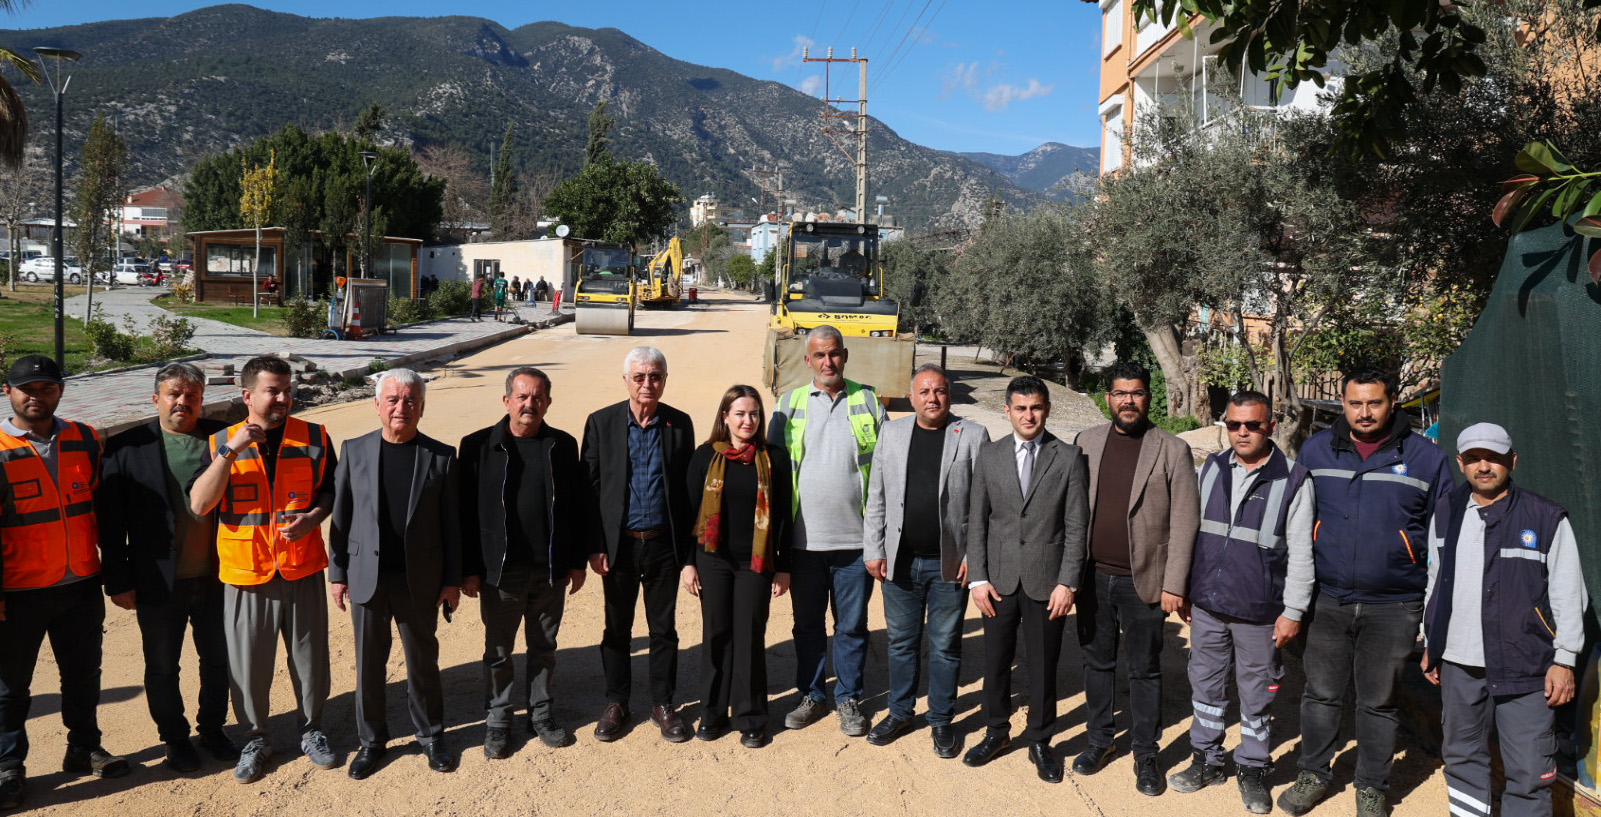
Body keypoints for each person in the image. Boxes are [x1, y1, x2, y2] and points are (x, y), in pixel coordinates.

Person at [1278, 367, 1453, 817]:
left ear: (1392, 402)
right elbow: (1295, 524)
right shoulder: (1317, 450)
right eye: (1355, 403)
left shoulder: (1427, 458)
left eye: (1374, 402)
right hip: (1327, 600)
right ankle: (1313, 773)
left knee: (1379, 701)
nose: (1365, 412)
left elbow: (1443, 540)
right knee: (1321, 694)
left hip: (1394, 604)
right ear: (1343, 402)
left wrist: (1434, 614)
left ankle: (1371, 785)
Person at [188, 354, 339, 784]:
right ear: (247, 395)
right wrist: (230, 452)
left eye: (287, 390)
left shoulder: (314, 436)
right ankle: (255, 738)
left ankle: (312, 730)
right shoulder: (221, 441)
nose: (283, 398)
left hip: (301, 566)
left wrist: (313, 517)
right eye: (273, 390)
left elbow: (331, 491)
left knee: (310, 659)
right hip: (246, 572)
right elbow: (200, 504)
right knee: (248, 665)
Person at [1422, 423, 1586, 817]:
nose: (1484, 466)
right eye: (1474, 458)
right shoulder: (1445, 511)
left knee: (1530, 771)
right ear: (1460, 462)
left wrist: (1564, 660)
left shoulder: (1545, 517)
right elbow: (1435, 581)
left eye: (1493, 458)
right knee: (1462, 758)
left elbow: (1569, 593)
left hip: (1527, 665)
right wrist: (1432, 641)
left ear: (1512, 461)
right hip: (1459, 662)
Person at [1168, 391, 1315, 813]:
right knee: (1206, 686)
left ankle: (1253, 767)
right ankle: (1207, 759)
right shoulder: (1211, 468)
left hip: (1259, 612)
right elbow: (1191, 533)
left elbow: (1302, 554)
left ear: (1271, 426)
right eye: (1234, 424)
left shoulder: (1294, 479)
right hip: (1208, 605)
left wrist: (1293, 611)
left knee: (1257, 694)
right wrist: (1185, 587)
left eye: (1253, 424)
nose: (1243, 432)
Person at [0, 355, 129, 811]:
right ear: (8, 392)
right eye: (27, 389)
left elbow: (104, 511)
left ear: (60, 391)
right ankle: (8, 767)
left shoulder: (85, 438)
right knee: (10, 688)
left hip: (80, 585)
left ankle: (84, 748)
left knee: (83, 675)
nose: (37, 397)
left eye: (47, 388)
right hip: (18, 592)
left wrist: (115, 572)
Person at [98, 362, 237, 773]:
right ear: (156, 398)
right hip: (157, 580)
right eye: (174, 394)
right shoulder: (126, 447)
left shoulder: (221, 437)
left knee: (218, 660)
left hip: (218, 576)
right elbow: (110, 523)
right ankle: (175, 739)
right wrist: (118, 580)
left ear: (201, 399)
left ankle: (212, 729)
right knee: (162, 666)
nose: (183, 402)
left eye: (192, 395)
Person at [1072, 360, 1200, 796]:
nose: (1129, 401)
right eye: (1121, 393)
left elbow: (1185, 521)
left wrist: (1175, 584)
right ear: (1108, 397)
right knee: (1097, 662)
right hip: (1092, 577)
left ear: (1148, 397)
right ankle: (1100, 740)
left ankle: (1146, 753)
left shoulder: (1172, 448)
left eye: (1137, 393)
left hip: (1144, 581)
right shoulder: (1086, 442)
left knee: (1144, 669)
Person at [329, 369, 462, 779]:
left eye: (410, 401)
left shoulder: (441, 457)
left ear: (421, 408)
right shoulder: (354, 450)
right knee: (369, 664)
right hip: (367, 576)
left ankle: (431, 735)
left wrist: (452, 579)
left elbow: (452, 525)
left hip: (419, 579)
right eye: (392, 400)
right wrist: (337, 572)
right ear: (377, 405)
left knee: (422, 660)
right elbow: (341, 515)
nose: (401, 407)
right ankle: (371, 741)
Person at [460, 367, 596, 759]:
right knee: (499, 651)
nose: (529, 404)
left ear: (548, 402)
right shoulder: (478, 446)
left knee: (544, 647)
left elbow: (576, 508)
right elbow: (464, 513)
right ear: (506, 401)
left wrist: (576, 562)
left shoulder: (562, 445)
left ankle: (541, 713)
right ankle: (498, 719)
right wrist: (468, 569)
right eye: (522, 396)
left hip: (549, 571)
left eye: (537, 397)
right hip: (500, 572)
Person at [961, 376, 1088, 783]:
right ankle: (996, 731)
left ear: (1047, 409)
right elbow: (977, 521)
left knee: (1043, 666)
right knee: (996, 662)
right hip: (998, 581)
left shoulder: (1068, 457)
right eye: (1020, 408)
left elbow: (1076, 526)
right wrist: (977, 578)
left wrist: (1068, 582)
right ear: (1007, 411)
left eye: (1035, 407)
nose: (1028, 415)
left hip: (1047, 583)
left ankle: (1040, 740)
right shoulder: (990, 455)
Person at [861, 364, 989, 758]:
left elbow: (984, 505)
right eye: (925, 391)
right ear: (912, 396)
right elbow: (877, 495)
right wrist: (873, 548)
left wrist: (974, 556)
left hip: (949, 563)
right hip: (900, 561)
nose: (933, 398)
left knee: (945, 645)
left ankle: (941, 719)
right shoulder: (892, 433)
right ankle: (900, 712)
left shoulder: (972, 435)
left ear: (949, 395)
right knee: (901, 643)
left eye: (940, 391)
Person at [769, 324, 887, 737]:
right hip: (804, 545)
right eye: (819, 355)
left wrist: (879, 539)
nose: (828, 361)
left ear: (845, 355)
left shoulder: (868, 401)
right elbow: (773, 475)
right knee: (807, 626)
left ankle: (848, 697)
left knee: (851, 627)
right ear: (807, 360)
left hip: (856, 544)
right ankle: (812, 694)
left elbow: (885, 471)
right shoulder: (788, 404)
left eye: (834, 353)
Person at [582, 347, 697, 743]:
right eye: (640, 377)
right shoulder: (601, 422)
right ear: (626, 380)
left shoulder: (679, 424)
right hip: (620, 547)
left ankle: (663, 704)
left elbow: (687, 493)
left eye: (655, 376)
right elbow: (590, 489)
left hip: (664, 545)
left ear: (664, 380)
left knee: (663, 629)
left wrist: (688, 554)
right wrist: (595, 544)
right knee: (617, 628)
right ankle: (616, 702)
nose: (648, 384)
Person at [682, 385, 793, 749]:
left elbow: (784, 517)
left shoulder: (773, 458)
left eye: (754, 414)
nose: (748, 421)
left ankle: (751, 717)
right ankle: (712, 713)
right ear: (725, 417)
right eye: (741, 413)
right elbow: (689, 514)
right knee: (716, 635)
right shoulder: (705, 457)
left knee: (749, 637)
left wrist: (784, 567)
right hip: (712, 560)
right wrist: (688, 563)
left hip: (755, 563)